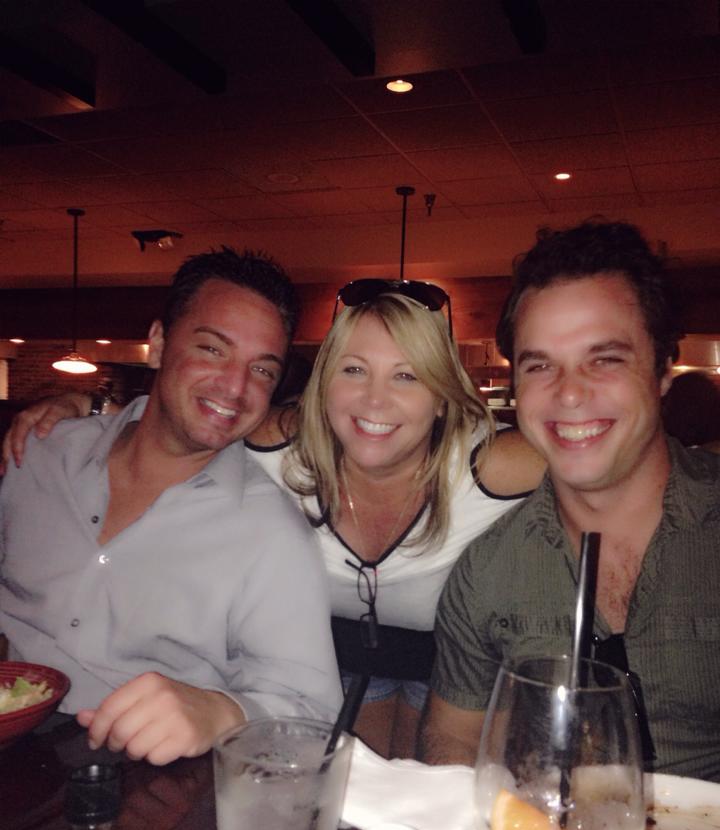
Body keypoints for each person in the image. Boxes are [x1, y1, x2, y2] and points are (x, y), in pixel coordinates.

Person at [4, 279, 545, 759]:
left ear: (442, 398)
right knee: (350, 798)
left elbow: (586, 458)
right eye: (354, 370)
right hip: (328, 660)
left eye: (407, 376)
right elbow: (199, 412)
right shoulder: (276, 446)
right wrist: (86, 410)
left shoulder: (489, 467)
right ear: (325, 384)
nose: (375, 400)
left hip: (449, 668)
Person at [0, 247, 342, 765]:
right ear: (158, 344)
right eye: (213, 349)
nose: (236, 387)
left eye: (262, 370)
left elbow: (314, 717)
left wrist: (224, 711)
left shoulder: (272, 534)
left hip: (145, 777)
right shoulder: (39, 454)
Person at [419, 220, 720, 782]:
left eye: (604, 359)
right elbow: (453, 740)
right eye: (540, 365)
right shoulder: (486, 573)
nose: (570, 392)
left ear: (662, 370)